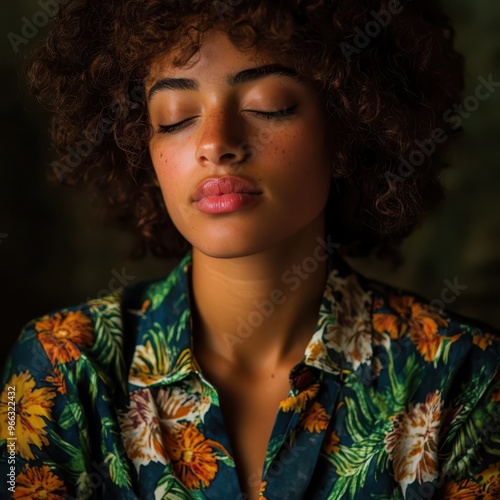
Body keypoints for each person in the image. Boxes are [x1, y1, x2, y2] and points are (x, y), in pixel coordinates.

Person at [1, 0, 500, 498]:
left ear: (347, 127)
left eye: (268, 105)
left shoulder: (467, 379)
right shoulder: (60, 365)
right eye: (175, 118)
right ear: (142, 148)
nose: (216, 143)